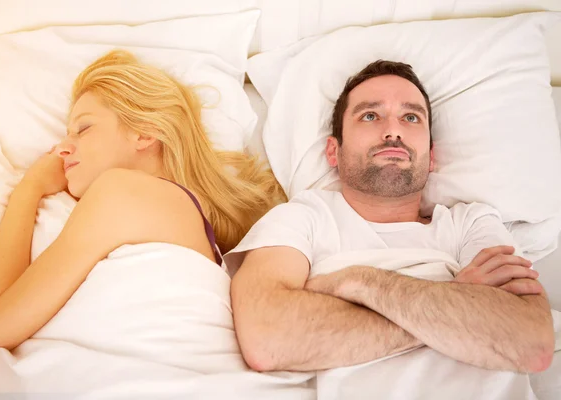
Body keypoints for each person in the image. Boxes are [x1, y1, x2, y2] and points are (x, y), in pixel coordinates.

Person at [227, 60, 556, 374]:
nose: (392, 131)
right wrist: (452, 298)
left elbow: (532, 343)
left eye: (411, 118)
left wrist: (355, 281)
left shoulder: (470, 224)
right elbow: (267, 338)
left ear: (431, 156)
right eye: (370, 116)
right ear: (333, 151)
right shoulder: (304, 219)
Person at [0, 50, 286, 352]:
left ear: (145, 133)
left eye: (83, 128)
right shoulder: (175, 212)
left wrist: (29, 187)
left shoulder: (119, 192)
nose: (61, 148)